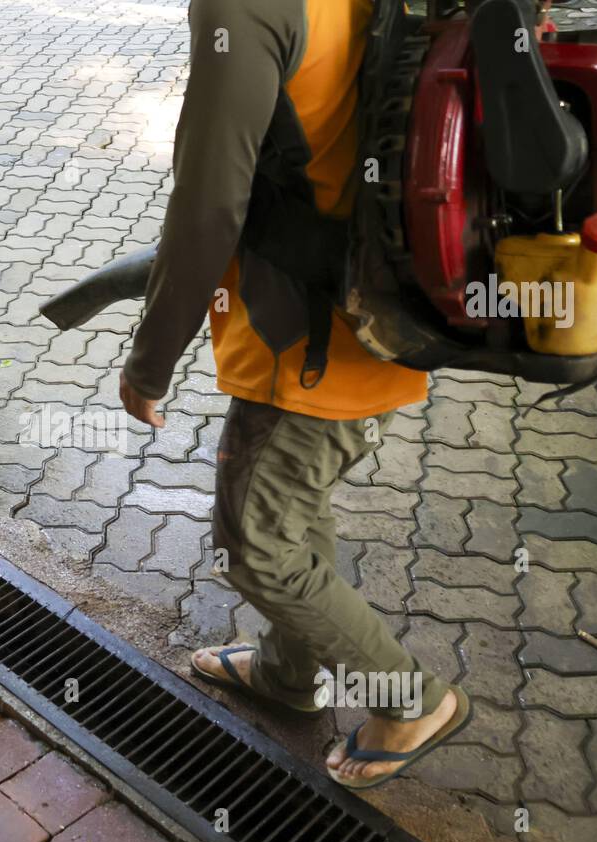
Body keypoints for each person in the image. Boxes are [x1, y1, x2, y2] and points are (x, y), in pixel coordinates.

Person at [118, 0, 474, 789]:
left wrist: (150, 361)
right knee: (294, 506)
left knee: (255, 545)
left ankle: (411, 699)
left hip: (306, 339)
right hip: (381, 303)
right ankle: (289, 673)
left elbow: (210, 202)